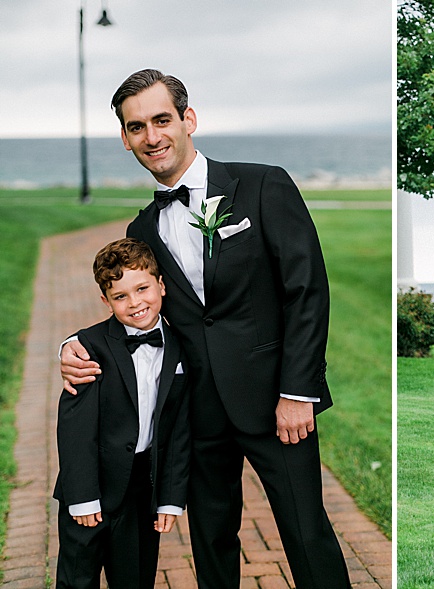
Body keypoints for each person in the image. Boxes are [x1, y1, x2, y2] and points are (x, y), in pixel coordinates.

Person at [60, 69, 349, 588]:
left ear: (188, 119)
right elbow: (137, 310)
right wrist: (73, 345)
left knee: (306, 533)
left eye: (162, 120)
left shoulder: (263, 185)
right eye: (136, 127)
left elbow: (307, 291)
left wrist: (298, 392)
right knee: (211, 540)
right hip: (195, 410)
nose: (152, 136)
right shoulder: (141, 230)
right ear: (125, 138)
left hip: (276, 401)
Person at [55, 238, 190, 589]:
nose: (135, 303)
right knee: (77, 578)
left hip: (142, 492)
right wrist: (82, 497)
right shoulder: (88, 349)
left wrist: (170, 499)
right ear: (106, 301)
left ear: (161, 284)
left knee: (136, 578)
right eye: (120, 296)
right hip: (92, 485)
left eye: (142, 288)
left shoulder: (181, 347)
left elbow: (178, 430)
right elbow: (75, 430)